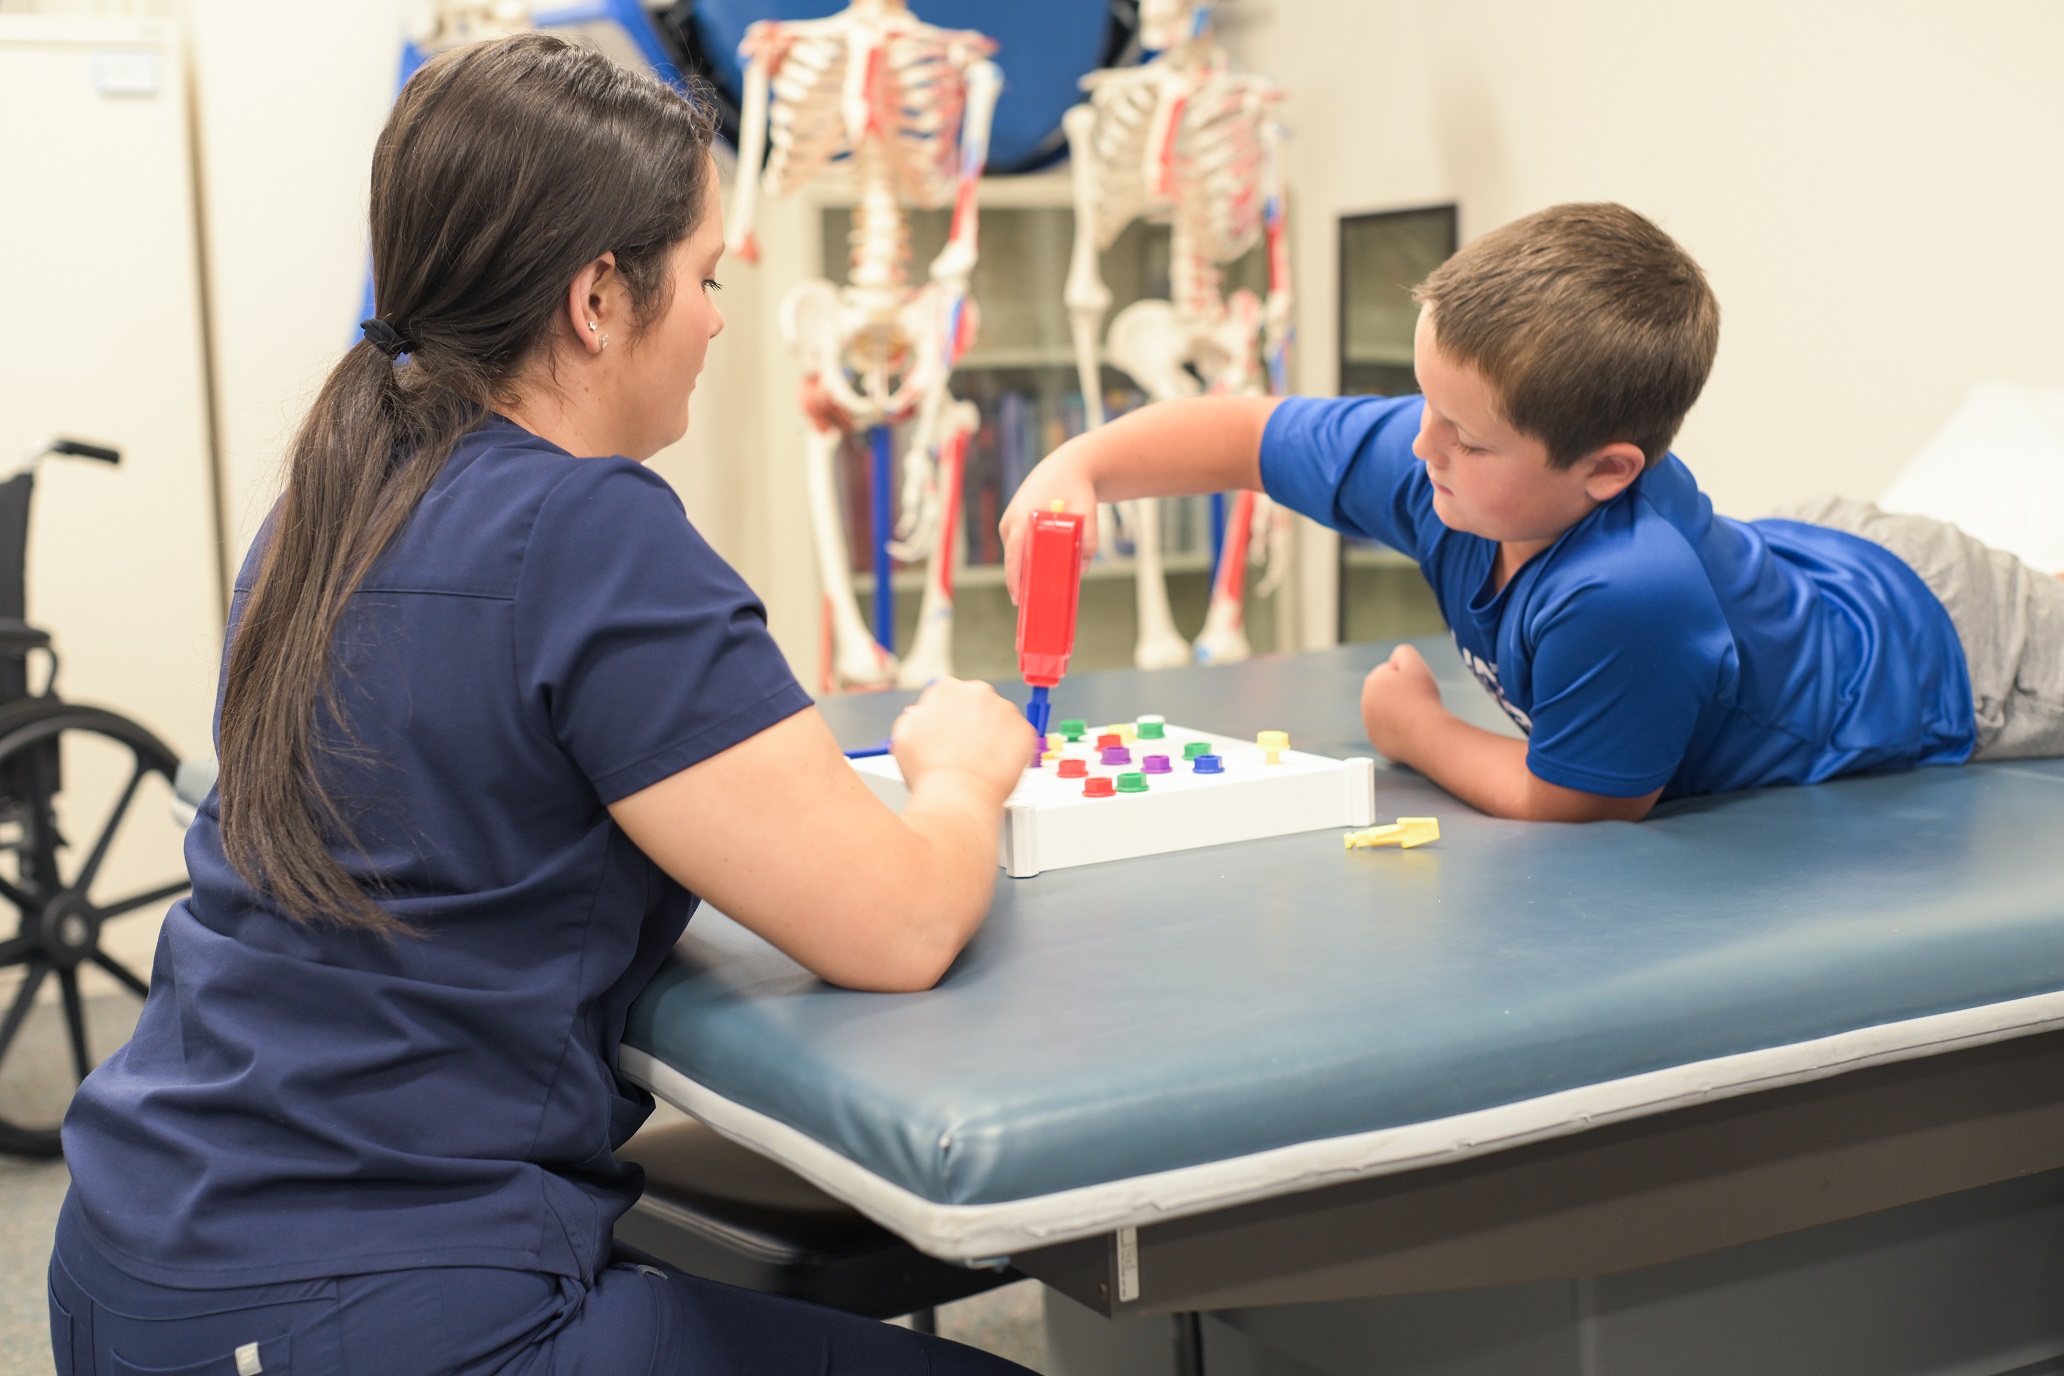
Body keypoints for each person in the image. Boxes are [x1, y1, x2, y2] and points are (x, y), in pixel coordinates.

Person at [51, 33, 1036, 1376]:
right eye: (705, 277)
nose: (717, 318)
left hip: (133, 1257)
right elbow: (905, 922)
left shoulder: (324, 509)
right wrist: (961, 774)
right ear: (597, 297)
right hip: (357, 1310)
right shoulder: (589, 531)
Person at [1002, 202, 2064, 822]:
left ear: (1605, 470)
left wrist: (1417, 733)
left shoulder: (1628, 592)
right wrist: (1079, 465)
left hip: (1958, 643)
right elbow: (1247, 435)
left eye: (1465, 436)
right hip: (1816, 552)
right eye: (1426, 406)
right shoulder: (1450, 457)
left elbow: (1582, 799)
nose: (1421, 447)